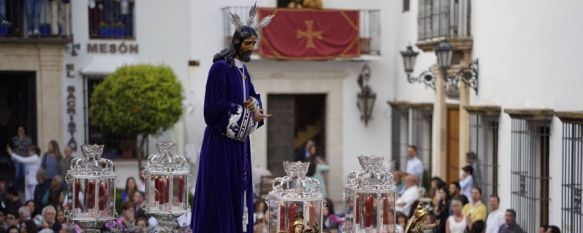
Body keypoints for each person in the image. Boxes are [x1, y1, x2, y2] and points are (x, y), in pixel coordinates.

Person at [191, 4, 274, 233]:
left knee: (238, 192)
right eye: (248, 43)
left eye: (253, 44)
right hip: (220, 144)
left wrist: (254, 107)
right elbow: (212, 109)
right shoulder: (219, 69)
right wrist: (245, 111)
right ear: (237, 43)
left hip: (239, 146)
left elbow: (253, 97)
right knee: (221, 192)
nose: (251, 48)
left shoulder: (242, 71)